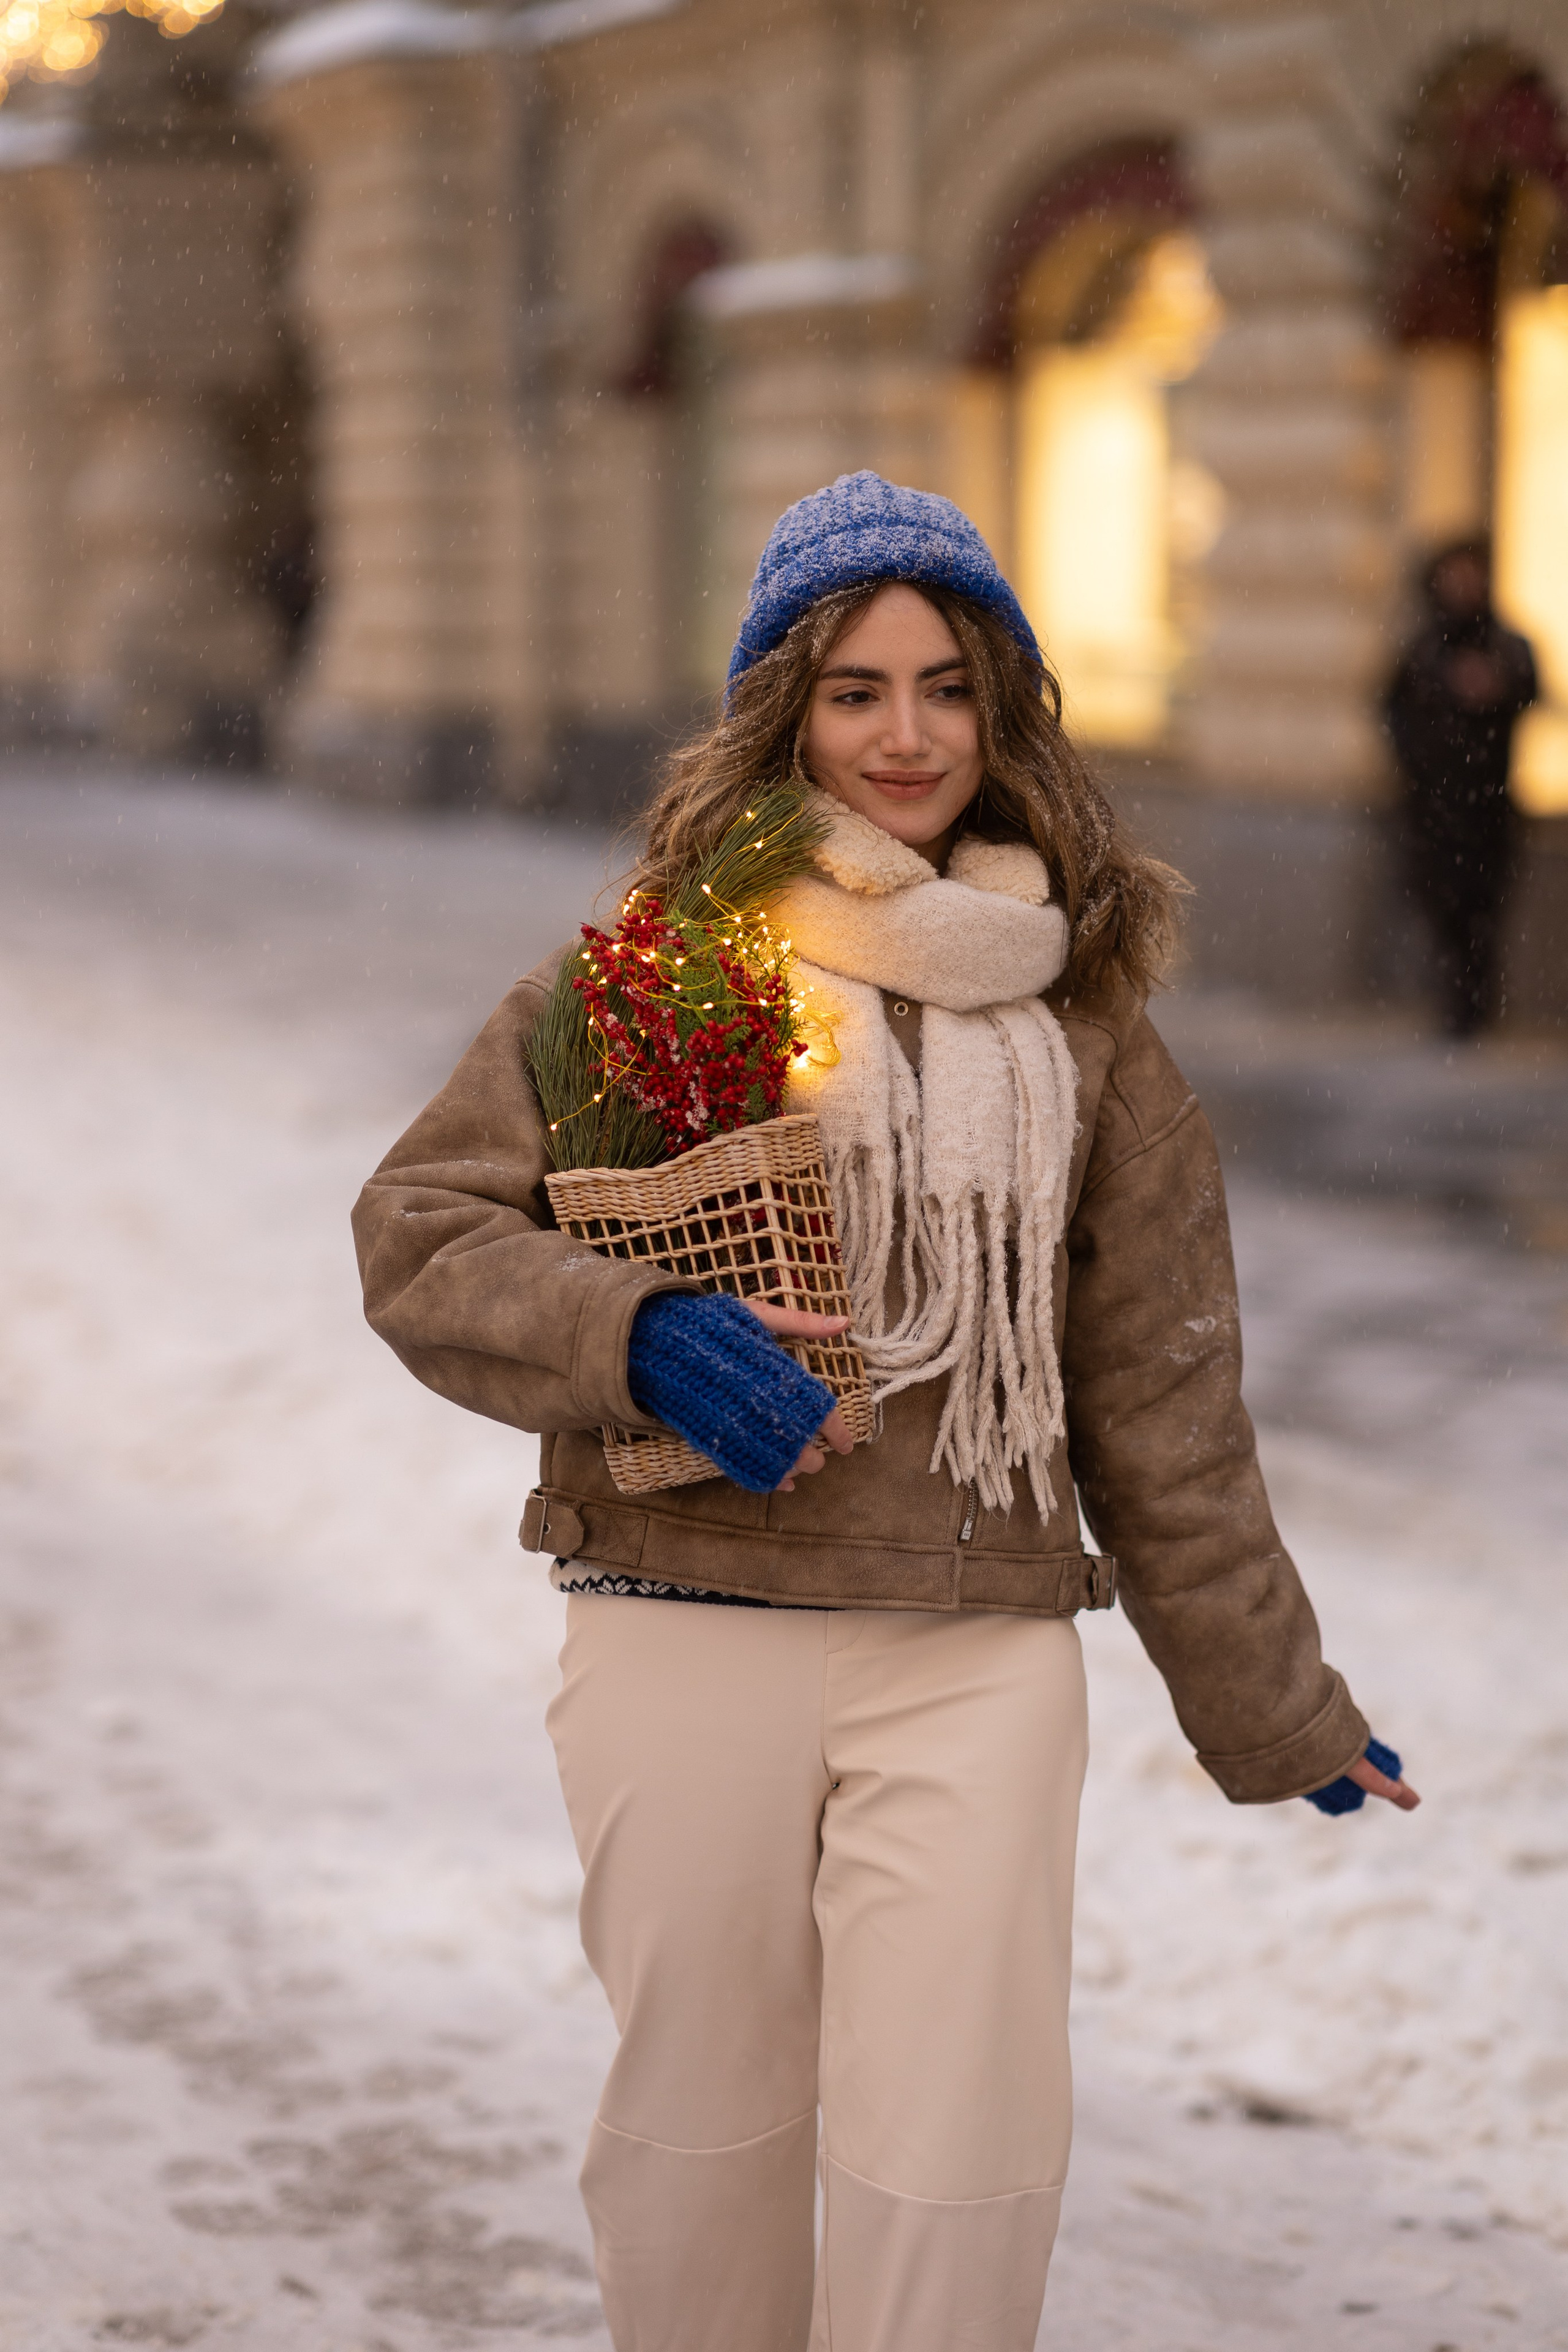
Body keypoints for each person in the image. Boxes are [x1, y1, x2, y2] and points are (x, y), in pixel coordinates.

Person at [353, 472, 1419, 2352]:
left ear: (1002, 708)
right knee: (703, 2131)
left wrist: (1274, 1704)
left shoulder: (1081, 1018)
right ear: (785, 707)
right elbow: (420, 1230)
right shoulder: (653, 972)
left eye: (946, 685)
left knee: (964, 2147)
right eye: (856, 688)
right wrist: (641, 1329)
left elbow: (1163, 1391)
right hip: (682, 1616)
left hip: (973, 1638)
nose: (906, 733)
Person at [1384, 536, 1536, 1037]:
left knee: (1482, 908)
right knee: (1443, 905)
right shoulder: (1423, 646)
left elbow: (1530, 689)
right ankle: (1455, 1002)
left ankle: (1473, 1009)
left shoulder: (1506, 645)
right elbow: (1392, 711)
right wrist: (1416, 764)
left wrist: (1496, 688)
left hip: (1488, 807)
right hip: (1432, 808)